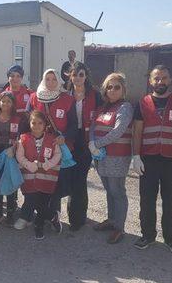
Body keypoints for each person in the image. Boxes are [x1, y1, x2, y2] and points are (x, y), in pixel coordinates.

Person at [130, 65, 172, 255]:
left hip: (171, 160)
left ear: (170, 80)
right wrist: (135, 155)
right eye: (156, 78)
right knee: (147, 201)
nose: (160, 81)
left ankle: (171, 239)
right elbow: (137, 131)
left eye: (164, 78)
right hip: (148, 159)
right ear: (150, 81)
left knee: (171, 202)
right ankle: (147, 235)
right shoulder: (142, 103)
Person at [18, 69, 74, 233]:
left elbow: (72, 124)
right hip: (33, 146)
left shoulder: (67, 99)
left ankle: (52, 215)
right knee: (31, 183)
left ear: (58, 81)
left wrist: (65, 137)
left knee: (52, 184)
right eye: (47, 79)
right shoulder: (35, 97)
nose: (50, 83)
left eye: (53, 79)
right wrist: (19, 139)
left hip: (55, 146)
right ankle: (29, 216)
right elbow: (26, 120)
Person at [88, 72, 133, 244]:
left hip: (117, 158)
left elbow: (118, 131)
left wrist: (96, 144)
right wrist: (92, 141)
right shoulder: (103, 108)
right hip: (100, 157)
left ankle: (119, 228)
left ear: (123, 90)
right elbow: (93, 126)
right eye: (109, 87)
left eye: (116, 87)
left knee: (117, 192)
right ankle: (111, 219)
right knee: (109, 190)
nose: (112, 90)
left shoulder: (125, 107)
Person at [65, 62, 102, 231]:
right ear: (70, 76)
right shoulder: (65, 95)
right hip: (69, 140)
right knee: (71, 178)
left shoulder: (95, 95)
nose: (78, 78)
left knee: (80, 179)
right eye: (75, 75)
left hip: (87, 141)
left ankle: (77, 218)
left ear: (86, 76)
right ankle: (72, 214)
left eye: (81, 74)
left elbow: (103, 116)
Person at [16, 111, 62, 240]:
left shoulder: (52, 139)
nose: (36, 126)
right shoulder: (23, 138)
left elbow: (58, 154)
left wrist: (48, 165)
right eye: (33, 123)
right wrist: (29, 165)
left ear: (45, 124)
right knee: (32, 199)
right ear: (29, 124)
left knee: (42, 202)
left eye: (40, 123)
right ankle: (52, 216)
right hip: (29, 177)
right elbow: (20, 156)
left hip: (47, 177)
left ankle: (39, 225)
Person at [0, 91, 28, 226]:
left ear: (13, 104)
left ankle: (11, 212)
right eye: (3, 101)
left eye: (9, 101)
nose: (5, 103)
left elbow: (22, 137)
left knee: (10, 180)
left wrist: (14, 148)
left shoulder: (18, 119)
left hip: (12, 152)